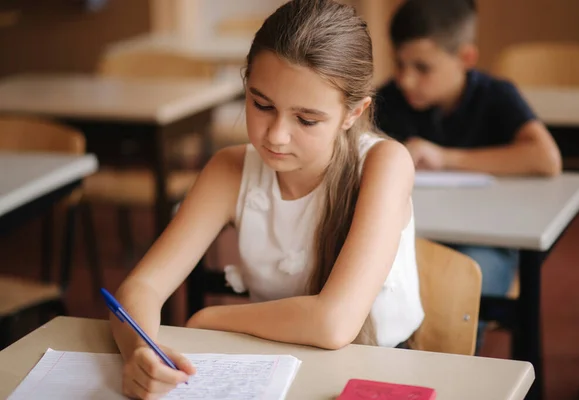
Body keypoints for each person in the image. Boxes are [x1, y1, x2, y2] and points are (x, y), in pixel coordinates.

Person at [109, 0, 424, 398]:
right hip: (267, 368)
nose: (275, 135)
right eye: (262, 105)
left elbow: (333, 323)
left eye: (306, 120)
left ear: (352, 113)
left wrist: (210, 318)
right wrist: (140, 351)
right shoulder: (229, 169)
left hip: (381, 372)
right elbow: (140, 288)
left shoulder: (385, 163)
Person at [374, 0, 562, 352]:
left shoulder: (496, 95)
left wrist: (446, 158)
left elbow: (546, 158)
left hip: (489, 240)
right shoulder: (389, 100)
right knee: (383, 285)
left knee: (457, 290)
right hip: (415, 234)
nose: (405, 78)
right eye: (399, 64)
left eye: (422, 67)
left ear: (466, 58)